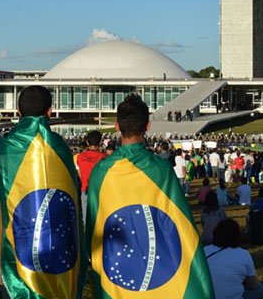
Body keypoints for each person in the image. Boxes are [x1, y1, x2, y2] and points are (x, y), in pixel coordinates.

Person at [86, 94, 213, 298]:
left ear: (117, 126)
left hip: (119, 262)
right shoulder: (161, 169)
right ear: (148, 126)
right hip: (156, 260)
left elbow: (94, 224)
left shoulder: (101, 171)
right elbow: (180, 223)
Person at [0, 85, 87, 298]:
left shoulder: (6, 146)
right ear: (50, 111)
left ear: (18, 112)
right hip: (59, 242)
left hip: (21, 241)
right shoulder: (60, 146)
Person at [204, 218, 263, 299]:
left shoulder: (203, 251)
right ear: (237, 235)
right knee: (260, 288)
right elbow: (252, 284)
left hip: (205, 295)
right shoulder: (243, 254)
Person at [76, 130, 106, 224]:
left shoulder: (80, 157)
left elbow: (80, 175)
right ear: (100, 142)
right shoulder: (104, 158)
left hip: (85, 188)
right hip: (99, 191)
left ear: (87, 142)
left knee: (85, 219)